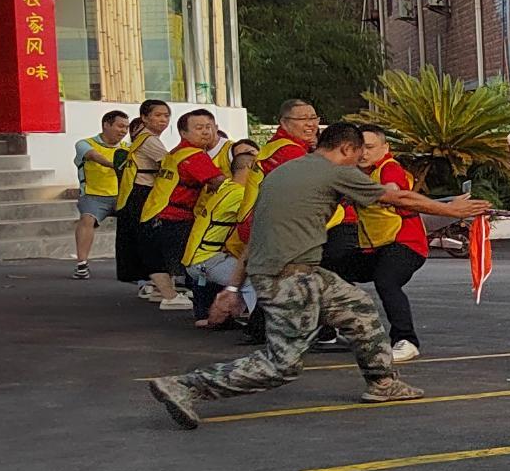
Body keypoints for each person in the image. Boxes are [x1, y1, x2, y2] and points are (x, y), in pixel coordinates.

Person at [144, 124, 488, 426]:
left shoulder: (282, 174)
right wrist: (450, 210)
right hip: (289, 277)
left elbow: (256, 235)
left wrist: (233, 287)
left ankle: (382, 382)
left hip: (294, 271)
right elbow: (397, 199)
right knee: (282, 365)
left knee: (358, 308)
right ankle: (185, 386)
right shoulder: (334, 171)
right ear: (346, 149)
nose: (359, 165)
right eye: (358, 156)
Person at [333, 126, 433, 363]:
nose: (364, 153)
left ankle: (407, 340)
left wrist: (373, 193)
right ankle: (344, 328)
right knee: (332, 269)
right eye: (360, 148)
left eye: (370, 147)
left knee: (386, 281)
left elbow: (392, 189)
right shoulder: (354, 174)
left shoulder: (389, 167)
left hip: (406, 243)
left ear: (385, 148)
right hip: (374, 247)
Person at [139, 110, 226, 312]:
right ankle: (173, 297)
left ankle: (163, 291)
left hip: (156, 211)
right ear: (183, 133)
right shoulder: (194, 155)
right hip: (174, 214)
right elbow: (219, 182)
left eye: (209, 127)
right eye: (199, 128)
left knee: (161, 255)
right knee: (188, 256)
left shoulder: (177, 152)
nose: (206, 132)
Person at [181, 139, 261, 326]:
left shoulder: (226, 187)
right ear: (249, 168)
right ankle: (260, 325)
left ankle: (229, 316)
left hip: (198, 257)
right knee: (252, 279)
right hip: (207, 260)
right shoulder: (240, 195)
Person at [71, 109, 133, 278]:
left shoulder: (128, 148)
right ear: (106, 125)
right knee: (87, 219)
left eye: (126, 127)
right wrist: (114, 164)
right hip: (94, 196)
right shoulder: (85, 144)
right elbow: (94, 156)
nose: (123, 131)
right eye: (120, 126)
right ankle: (82, 264)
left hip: (123, 196)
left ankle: (137, 268)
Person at [116, 100, 170, 286]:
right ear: (145, 118)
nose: (163, 120)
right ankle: (153, 282)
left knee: (138, 237)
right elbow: (169, 164)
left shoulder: (143, 137)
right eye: (158, 115)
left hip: (135, 191)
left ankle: (145, 282)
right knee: (148, 238)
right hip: (143, 191)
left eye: (166, 116)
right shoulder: (149, 140)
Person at [257, 98, 322, 174]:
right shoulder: (290, 151)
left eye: (313, 118)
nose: (310, 124)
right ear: (284, 122)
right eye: (303, 118)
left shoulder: (277, 142)